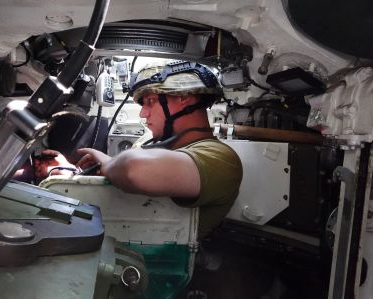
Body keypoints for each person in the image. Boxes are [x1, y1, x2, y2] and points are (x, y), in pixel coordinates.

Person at [42, 60, 243, 239]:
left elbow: (133, 170)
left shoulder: (221, 158)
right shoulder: (153, 142)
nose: (143, 113)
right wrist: (69, 176)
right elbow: (124, 183)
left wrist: (109, 163)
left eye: (150, 101)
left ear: (184, 97)